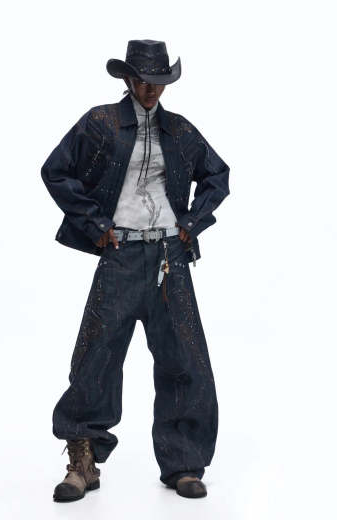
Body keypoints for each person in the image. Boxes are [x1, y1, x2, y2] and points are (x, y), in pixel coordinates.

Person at [41, 39, 230, 501]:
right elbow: (56, 170)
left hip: (169, 257)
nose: (151, 89)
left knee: (184, 358)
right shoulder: (100, 123)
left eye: (159, 81)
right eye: (144, 80)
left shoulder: (179, 130)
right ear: (128, 79)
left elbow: (217, 175)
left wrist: (190, 223)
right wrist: (95, 224)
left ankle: (184, 463)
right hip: (121, 253)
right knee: (96, 357)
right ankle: (82, 462)